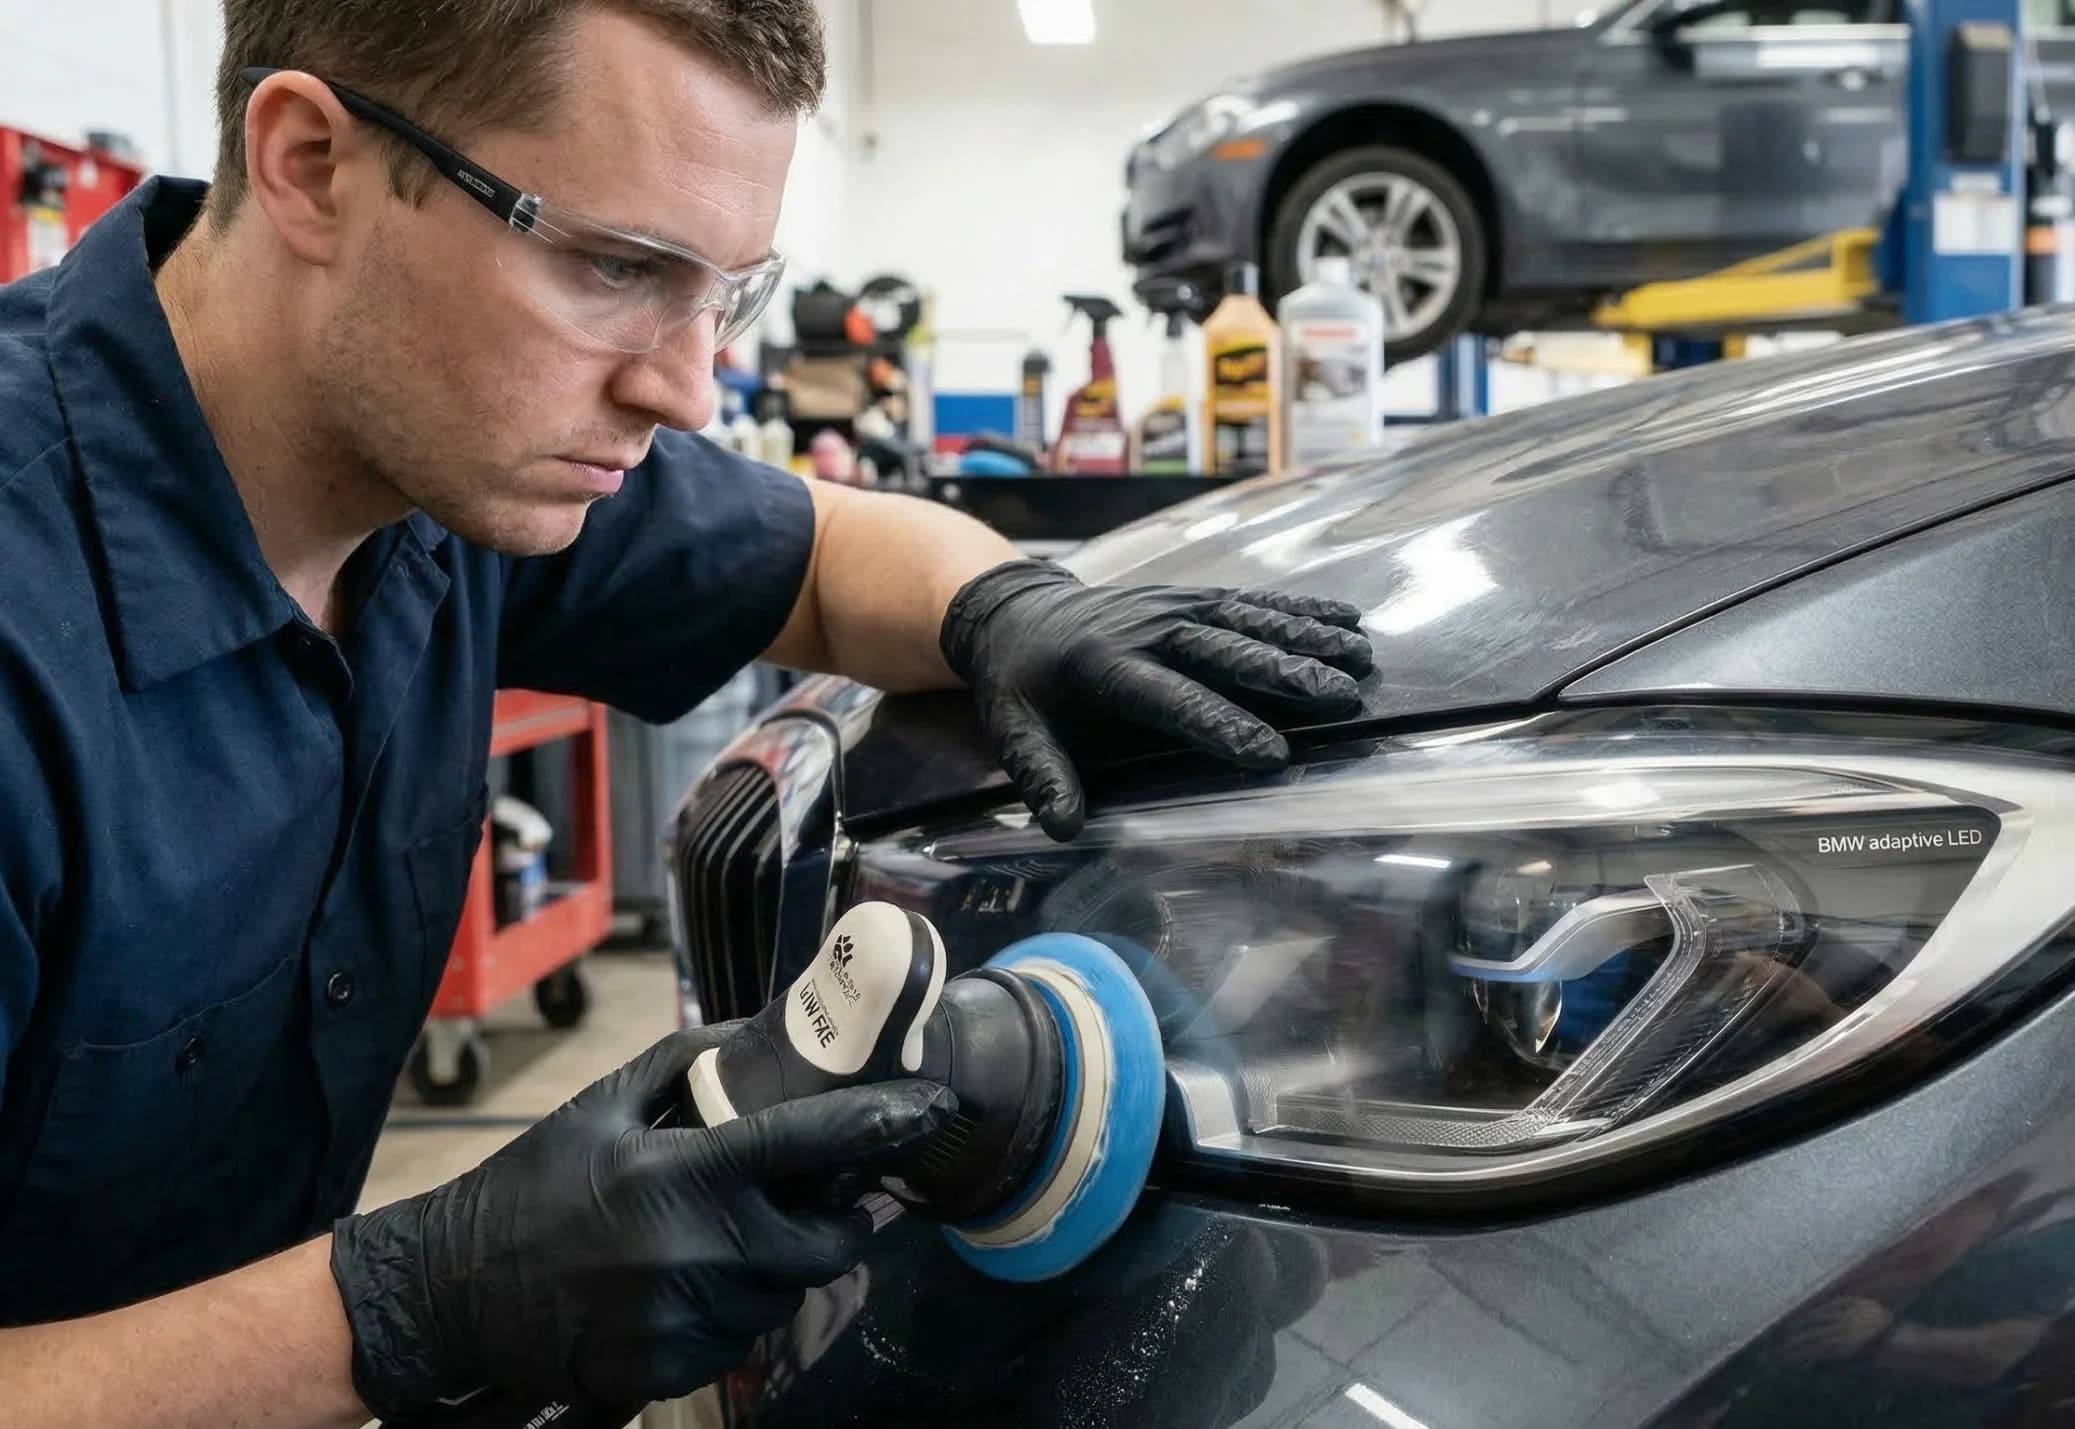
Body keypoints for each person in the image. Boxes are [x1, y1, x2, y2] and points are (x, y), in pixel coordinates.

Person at [0, 1, 1373, 1423]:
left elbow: (834, 557)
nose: (686, 386)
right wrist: (403, 1302)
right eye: (616, 266)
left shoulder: (442, 457)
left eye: (729, 290)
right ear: (310, 166)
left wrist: (1010, 608)